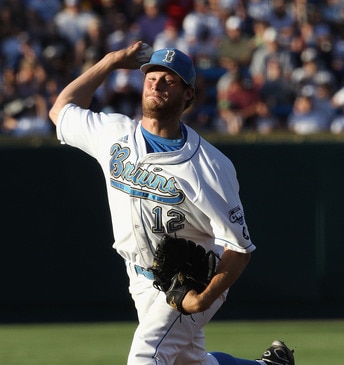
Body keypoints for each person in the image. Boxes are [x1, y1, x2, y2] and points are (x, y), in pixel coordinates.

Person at [49, 41, 295, 365]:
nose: (157, 82)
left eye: (170, 78)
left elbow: (239, 250)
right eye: (152, 75)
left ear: (188, 94)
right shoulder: (114, 134)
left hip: (191, 281)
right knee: (189, 362)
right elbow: (61, 110)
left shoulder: (209, 166)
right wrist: (108, 62)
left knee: (146, 356)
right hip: (138, 276)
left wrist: (202, 300)